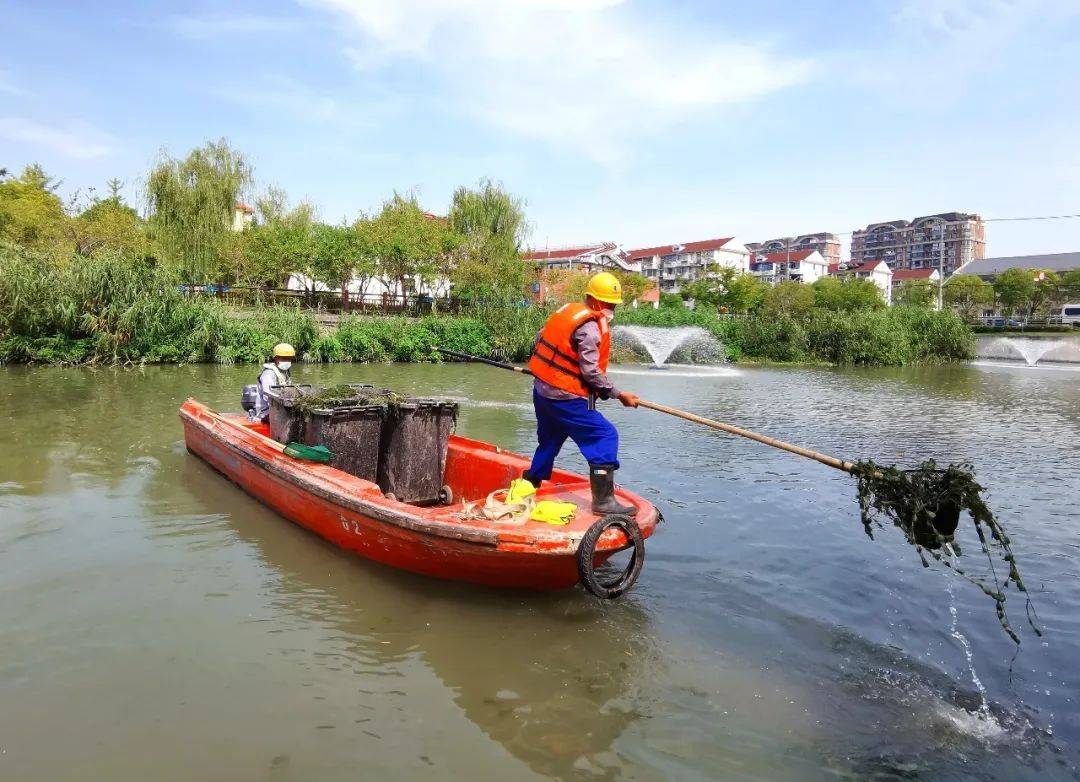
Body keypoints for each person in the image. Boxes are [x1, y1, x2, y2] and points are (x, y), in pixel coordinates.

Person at [516, 272, 640, 515]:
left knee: (550, 440)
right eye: (608, 304)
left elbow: (541, 338)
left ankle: (528, 484)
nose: (611, 309)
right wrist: (618, 394)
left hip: (542, 392)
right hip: (565, 397)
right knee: (605, 436)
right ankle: (604, 502)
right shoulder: (590, 328)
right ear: (594, 301)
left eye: (613, 305)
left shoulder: (567, 313)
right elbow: (591, 373)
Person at [250, 343, 295, 422]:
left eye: (289, 358)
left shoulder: (285, 372)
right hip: (266, 412)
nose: (287, 361)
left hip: (280, 408)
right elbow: (268, 396)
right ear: (276, 358)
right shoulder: (269, 373)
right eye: (283, 358)